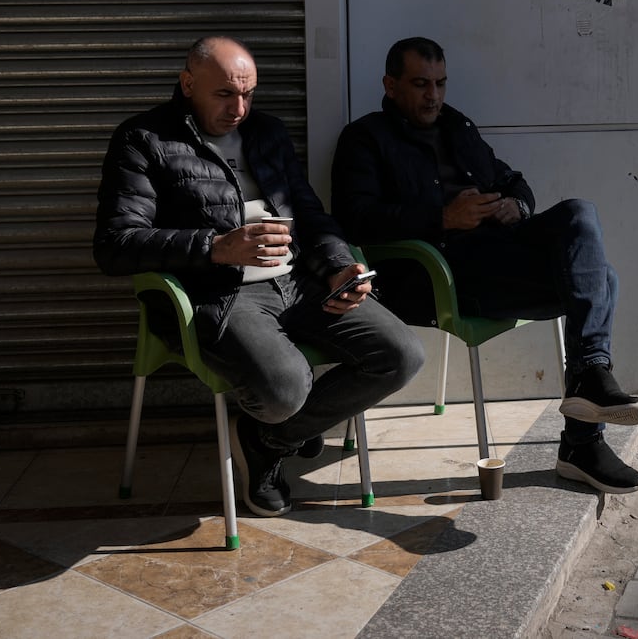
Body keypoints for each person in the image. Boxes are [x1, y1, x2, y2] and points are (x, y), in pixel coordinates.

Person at [94, 36, 424, 517]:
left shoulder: (267, 133)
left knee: (401, 355)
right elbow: (115, 245)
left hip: (298, 284)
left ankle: (268, 439)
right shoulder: (144, 139)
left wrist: (336, 268)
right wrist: (215, 247)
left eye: (248, 94)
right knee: (286, 388)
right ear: (188, 84)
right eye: (225, 94)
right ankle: (284, 425)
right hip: (219, 293)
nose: (239, 108)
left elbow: (308, 215)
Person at [330, 36, 638, 495]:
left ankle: (589, 382)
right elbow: (354, 220)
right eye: (421, 84)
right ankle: (584, 426)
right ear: (390, 84)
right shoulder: (365, 139)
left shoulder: (457, 125)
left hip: (501, 250)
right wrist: (442, 217)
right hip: (442, 272)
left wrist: (516, 205)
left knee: (579, 213)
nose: (433, 96)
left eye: (440, 83)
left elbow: (512, 179)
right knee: (603, 279)